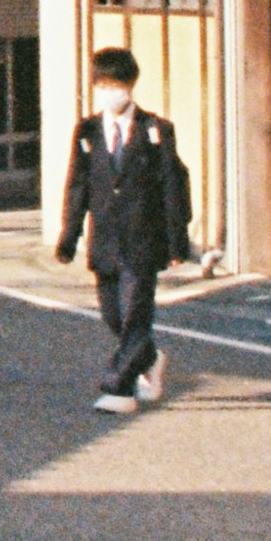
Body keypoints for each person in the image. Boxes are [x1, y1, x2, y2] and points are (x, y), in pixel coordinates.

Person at [54, 45, 191, 413]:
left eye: (116, 85)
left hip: (144, 239)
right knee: (112, 315)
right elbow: (77, 186)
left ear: (130, 86)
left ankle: (119, 388)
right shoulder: (87, 131)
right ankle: (150, 359)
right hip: (104, 241)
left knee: (135, 314)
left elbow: (172, 186)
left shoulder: (155, 130)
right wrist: (68, 236)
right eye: (103, 86)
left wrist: (177, 240)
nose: (110, 92)